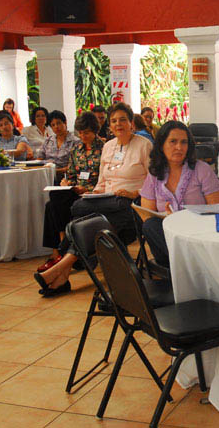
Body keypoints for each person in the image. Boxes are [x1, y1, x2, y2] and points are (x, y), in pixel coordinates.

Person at [34, 103, 152, 296]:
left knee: (87, 221)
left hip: (130, 204)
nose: (118, 124)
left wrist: (135, 192)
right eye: (114, 120)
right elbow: (103, 180)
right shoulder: (108, 146)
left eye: (123, 119)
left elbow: (154, 180)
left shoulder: (144, 145)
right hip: (107, 203)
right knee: (80, 207)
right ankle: (62, 271)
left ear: (131, 123)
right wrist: (95, 193)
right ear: (109, 125)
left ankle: (61, 270)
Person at [140, 121, 219, 267]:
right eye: (173, 141)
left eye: (184, 142)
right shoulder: (154, 174)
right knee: (150, 225)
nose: (179, 147)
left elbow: (216, 211)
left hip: (197, 236)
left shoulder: (201, 170)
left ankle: (189, 267)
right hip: (167, 239)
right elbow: (146, 214)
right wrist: (170, 220)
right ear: (161, 145)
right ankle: (187, 267)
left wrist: (181, 220)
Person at [39, 112, 104, 270]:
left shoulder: (104, 149)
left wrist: (87, 188)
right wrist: (67, 181)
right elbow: (72, 172)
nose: (83, 136)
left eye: (86, 132)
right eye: (80, 133)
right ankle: (58, 249)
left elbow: (106, 177)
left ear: (95, 131)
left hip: (93, 192)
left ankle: (59, 251)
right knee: (53, 199)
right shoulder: (77, 148)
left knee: (53, 205)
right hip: (75, 189)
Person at [35, 110, 79, 178]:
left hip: (67, 175)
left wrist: (56, 171)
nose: (56, 127)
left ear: (65, 123)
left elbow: (77, 165)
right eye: (53, 125)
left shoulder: (75, 141)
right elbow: (39, 159)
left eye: (59, 123)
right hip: (47, 175)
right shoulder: (48, 140)